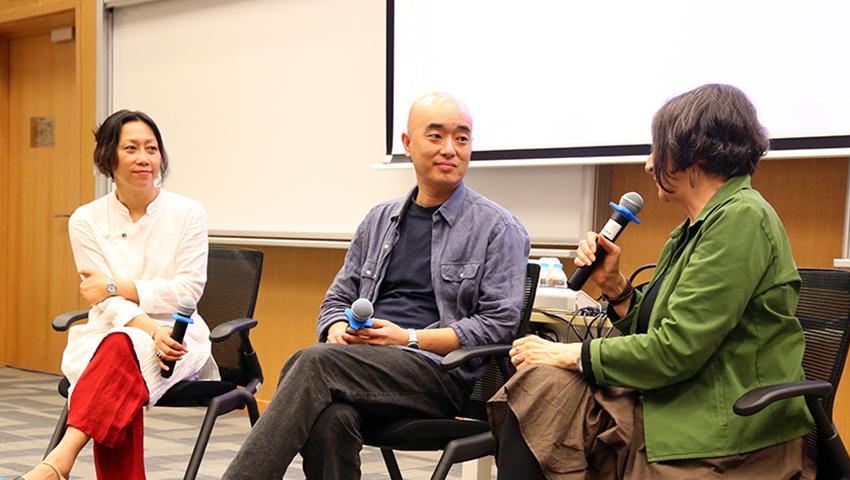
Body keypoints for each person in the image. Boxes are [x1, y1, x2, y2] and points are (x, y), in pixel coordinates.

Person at [490, 84, 816, 479]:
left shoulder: (741, 219)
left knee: (544, 390)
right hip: (680, 400)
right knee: (539, 390)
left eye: (658, 150)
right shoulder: (694, 228)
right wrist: (615, 287)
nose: (648, 165)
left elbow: (675, 349)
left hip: (726, 431)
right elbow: (659, 330)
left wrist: (569, 354)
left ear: (695, 154)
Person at [223, 93, 530, 479]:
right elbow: (337, 298)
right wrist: (337, 328)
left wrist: (408, 338)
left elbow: (498, 325)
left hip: (437, 374)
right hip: (360, 367)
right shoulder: (379, 221)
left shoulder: (498, 228)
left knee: (314, 363)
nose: (450, 149)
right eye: (436, 136)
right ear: (408, 144)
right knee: (331, 418)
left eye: (462, 138)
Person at [19, 110, 218, 480]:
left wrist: (115, 286)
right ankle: (58, 465)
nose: (144, 158)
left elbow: (186, 291)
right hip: (112, 330)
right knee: (121, 353)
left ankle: (59, 461)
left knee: (119, 359)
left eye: (152, 149)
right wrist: (147, 327)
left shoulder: (189, 213)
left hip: (177, 336)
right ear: (108, 156)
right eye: (131, 148)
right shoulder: (86, 219)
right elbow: (105, 304)